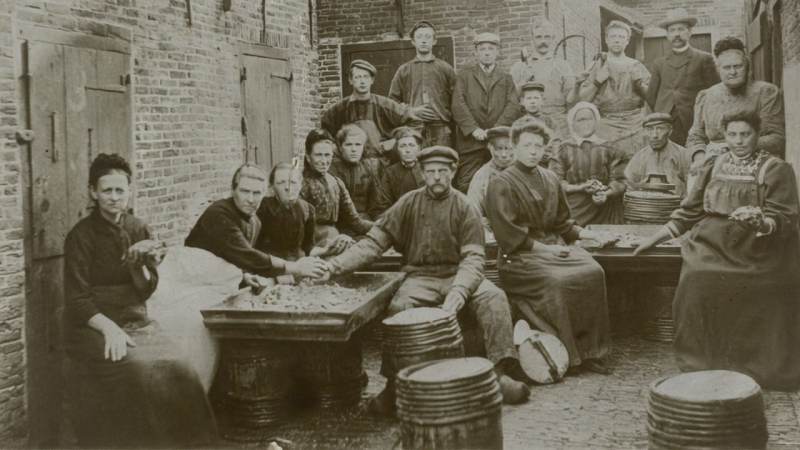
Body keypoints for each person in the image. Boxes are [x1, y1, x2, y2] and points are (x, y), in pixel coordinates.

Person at [323, 145, 530, 414]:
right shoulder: (408, 203)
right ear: (422, 173)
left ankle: (498, 375)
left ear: (453, 172)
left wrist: (460, 289)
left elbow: (474, 260)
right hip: (419, 276)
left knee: (494, 297)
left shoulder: (465, 207)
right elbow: (373, 243)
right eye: (430, 172)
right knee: (399, 309)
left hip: (458, 274)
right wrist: (334, 266)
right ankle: (395, 386)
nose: (436, 178)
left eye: (442, 171)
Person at [635, 111, 800, 390]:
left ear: (757, 136)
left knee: (767, 287)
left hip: (759, 246)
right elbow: (691, 210)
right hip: (712, 243)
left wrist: (761, 221)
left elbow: (784, 217)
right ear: (724, 136)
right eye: (732, 134)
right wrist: (655, 238)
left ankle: (756, 367)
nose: (739, 141)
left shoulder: (776, 168)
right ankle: (702, 364)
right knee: (698, 279)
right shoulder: (714, 163)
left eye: (745, 134)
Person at [63, 154, 217, 447]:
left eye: (120, 190)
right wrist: (109, 328)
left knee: (180, 366)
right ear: (93, 192)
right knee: (137, 370)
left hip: (136, 318)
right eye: (106, 190)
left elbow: (146, 291)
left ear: (129, 191)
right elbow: (76, 298)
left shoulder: (139, 228)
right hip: (92, 324)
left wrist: (139, 266)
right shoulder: (80, 237)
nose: (114, 197)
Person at [484, 117, 616, 375]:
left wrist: (589, 236)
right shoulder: (501, 183)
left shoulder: (551, 178)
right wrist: (549, 250)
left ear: (546, 148)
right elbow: (509, 237)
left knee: (593, 271)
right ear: (515, 147)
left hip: (555, 248)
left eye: (538, 146)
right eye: (527, 145)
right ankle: (569, 354)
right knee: (558, 281)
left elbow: (563, 223)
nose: (533, 151)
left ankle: (592, 351)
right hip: (520, 257)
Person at [185, 164, 328, 282]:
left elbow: (237, 260)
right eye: (244, 191)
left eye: (257, 193)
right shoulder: (219, 213)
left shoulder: (254, 221)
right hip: (192, 280)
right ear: (233, 191)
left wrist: (244, 276)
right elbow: (248, 256)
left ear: (265, 193)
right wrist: (295, 267)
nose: (251, 199)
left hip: (218, 279)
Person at [686, 36, 785, 160]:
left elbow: (777, 138)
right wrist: (699, 158)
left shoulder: (766, 92)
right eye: (726, 67)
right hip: (714, 161)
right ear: (718, 69)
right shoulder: (706, 96)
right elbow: (695, 136)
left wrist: (731, 149)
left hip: (756, 159)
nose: (732, 72)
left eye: (738, 66)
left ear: (747, 66)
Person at [320, 59, 430, 162]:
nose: (362, 81)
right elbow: (324, 130)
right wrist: (334, 147)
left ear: (372, 80)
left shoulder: (385, 105)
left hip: (381, 162)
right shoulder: (340, 108)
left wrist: (396, 141)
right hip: (351, 164)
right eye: (358, 77)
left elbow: (415, 121)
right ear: (350, 80)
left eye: (366, 77)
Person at [451, 32, 520, 192]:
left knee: (502, 183)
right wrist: (474, 130)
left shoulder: (506, 78)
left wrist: (496, 130)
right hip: (471, 143)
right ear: (476, 52)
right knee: (466, 183)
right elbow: (458, 105)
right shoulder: (464, 76)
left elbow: (513, 106)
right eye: (482, 49)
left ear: (497, 52)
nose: (487, 52)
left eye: (491, 48)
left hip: (498, 144)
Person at [645, 8, 719, 146]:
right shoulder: (659, 63)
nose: (676, 34)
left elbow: (715, 92)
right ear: (667, 35)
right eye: (672, 30)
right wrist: (663, 110)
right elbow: (651, 97)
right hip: (666, 121)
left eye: (681, 29)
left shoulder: (704, 59)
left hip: (694, 121)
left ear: (690, 32)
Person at [578, 20, 650, 159]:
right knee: (605, 165)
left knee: (634, 166)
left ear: (627, 40)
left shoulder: (636, 65)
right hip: (605, 124)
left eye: (621, 37)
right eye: (613, 36)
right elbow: (583, 99)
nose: (617, 40)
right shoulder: (597, 65)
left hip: (634, 124)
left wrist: (639, 83)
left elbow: (652, 97)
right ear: (606, 39)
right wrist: (597, 81)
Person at [550, 102, 627, 225]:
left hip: (604, 210)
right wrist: (580, 187)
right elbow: (555, 181)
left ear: (596, 122)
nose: (586, 123)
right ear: (572, 124)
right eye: (580, 120)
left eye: (590, 119)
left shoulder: (610, 148)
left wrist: (605, 194)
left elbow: (620, 180)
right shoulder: (563, 149)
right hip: (572, 209)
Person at [389, 21, 456, 147]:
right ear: (413, 42)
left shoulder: (445, 68)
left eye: (428, 37)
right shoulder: (404, 70)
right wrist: (411, 111)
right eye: (419, 37)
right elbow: (392, 102)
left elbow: (457, 101)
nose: (424, 41)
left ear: (434, 41)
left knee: (441, 162)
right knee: (416, 164)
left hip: (441, 129)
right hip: (413, 128)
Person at [256, 162, 341, 261]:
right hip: (270, 263)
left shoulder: (308, 209)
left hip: (299, 263)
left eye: (293, 182)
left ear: (300, 185)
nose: (288, 187)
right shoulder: (262, 207)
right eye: (281, 183)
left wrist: (326, 250)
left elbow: (308, 248)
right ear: (272, 187)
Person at [300, 128, 374, 241]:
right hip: (309, 241)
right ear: (308, 157)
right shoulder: (299, 183)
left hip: (334, 237)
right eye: (318, 155)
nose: (324, 161)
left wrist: (382, 227)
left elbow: (355, 222)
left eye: (327, 155)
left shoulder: (337, 183)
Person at [509, 18, 580, 135]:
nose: (543, 41)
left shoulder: (563, 66)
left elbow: (571, 101)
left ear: (553, 38)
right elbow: (511, 99)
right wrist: (522, 83)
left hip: (558, 124)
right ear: (532, 39)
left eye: (547, 37)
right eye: (539, 37)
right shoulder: (519, 67)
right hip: (530, 125)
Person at [625, 112, 693, 198]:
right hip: (645, 207)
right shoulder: (639, 157)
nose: (654, 135)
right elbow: (629, 188)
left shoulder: (683, 154)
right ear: (644, 132)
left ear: (670, 131)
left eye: (660, 129)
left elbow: (693, 189)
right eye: (649, 129)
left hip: (676, 207)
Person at [329, 124, 382, 220]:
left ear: (363, 147)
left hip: (365, 220)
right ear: (340, 147)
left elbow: (375, 206)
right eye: (348, 145)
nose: (354, 149)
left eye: (358, 145)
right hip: (340, 222)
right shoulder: (332, 169)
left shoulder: (368, 169)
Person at [466, 126, 515, 223]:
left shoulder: (524, 170)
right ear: (490, 147)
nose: (504, 154)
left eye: (508, 148)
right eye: (499, 149)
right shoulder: (482, 175)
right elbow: (473, 210)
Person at [373, 126, 426, 215]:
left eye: (411, 145)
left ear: (419, 148)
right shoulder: (390, 172)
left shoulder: (427, 168)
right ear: (397, 150)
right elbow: (383, 204)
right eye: (403, 146)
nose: (407, 150)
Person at [518, 81, 559, 167]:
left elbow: (557, 141)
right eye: (529, 98)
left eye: (536, 98)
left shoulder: (549, 121)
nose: (533, 102)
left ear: (542, 100)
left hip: (547, 161)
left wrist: (550, 153)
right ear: (522, 102)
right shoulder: (520, 123)